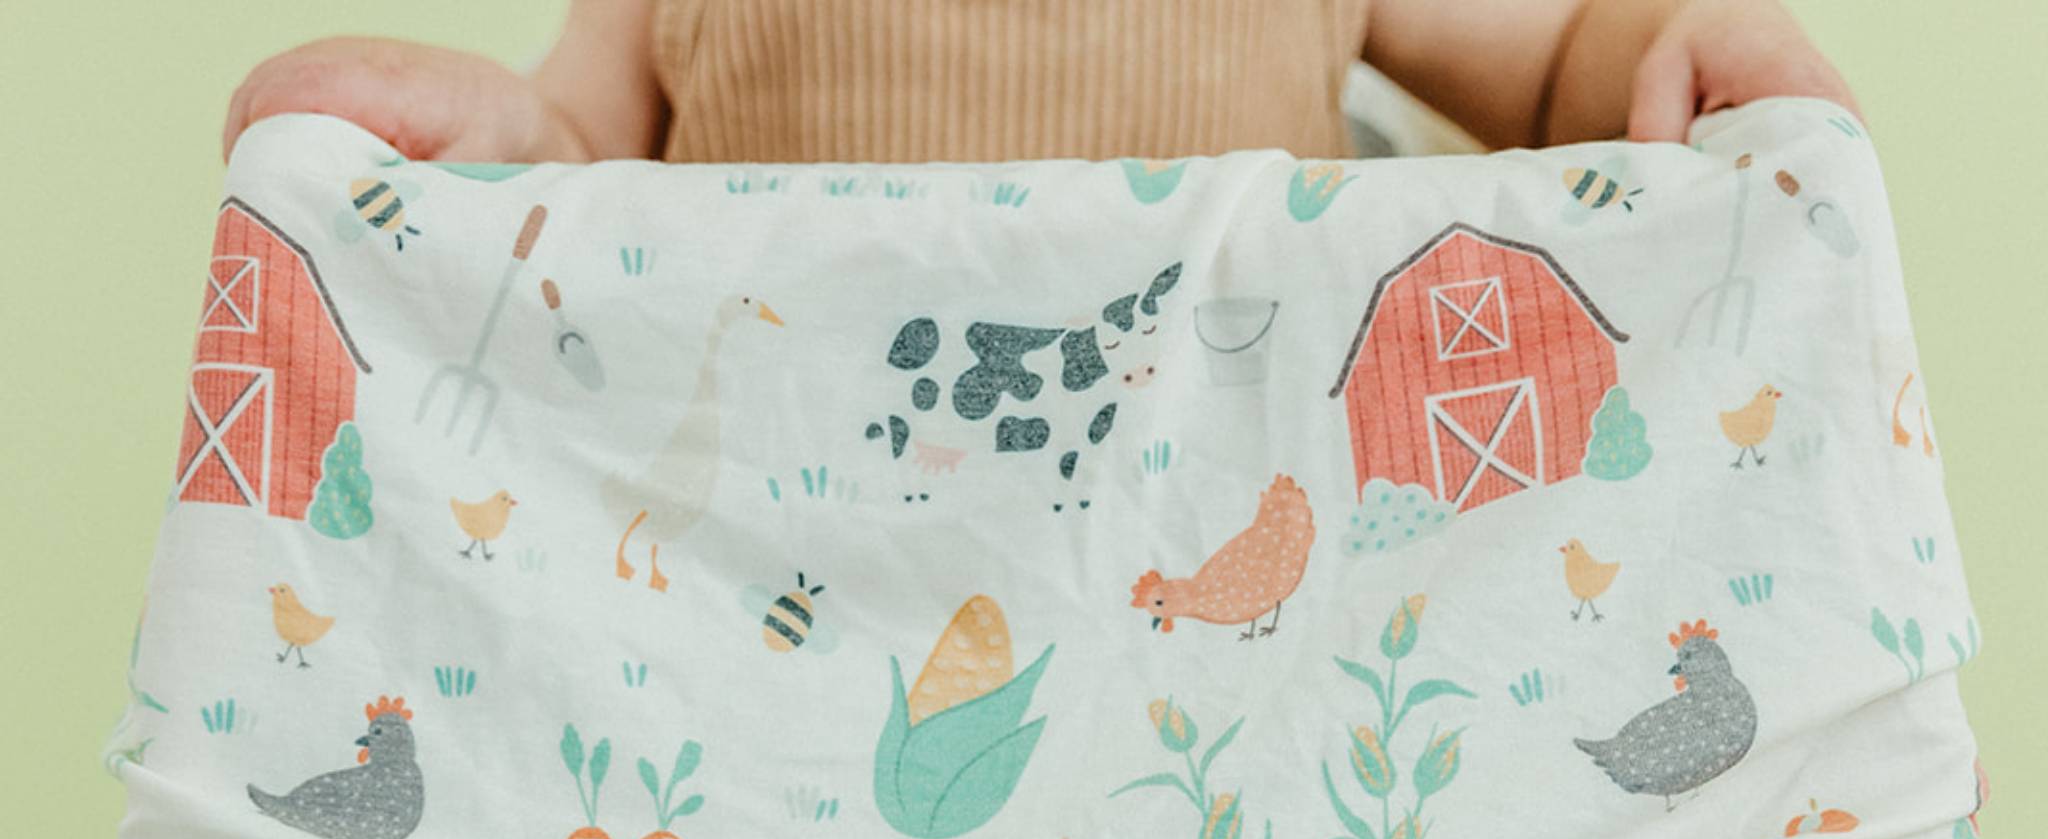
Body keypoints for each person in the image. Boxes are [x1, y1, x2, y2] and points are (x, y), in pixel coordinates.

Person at [222, 0, 1857, 171]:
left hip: (1217, 539)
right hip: (795, 564)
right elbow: (582, 139)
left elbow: (1559, 60)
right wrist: (488, 135)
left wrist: (1681, 36)